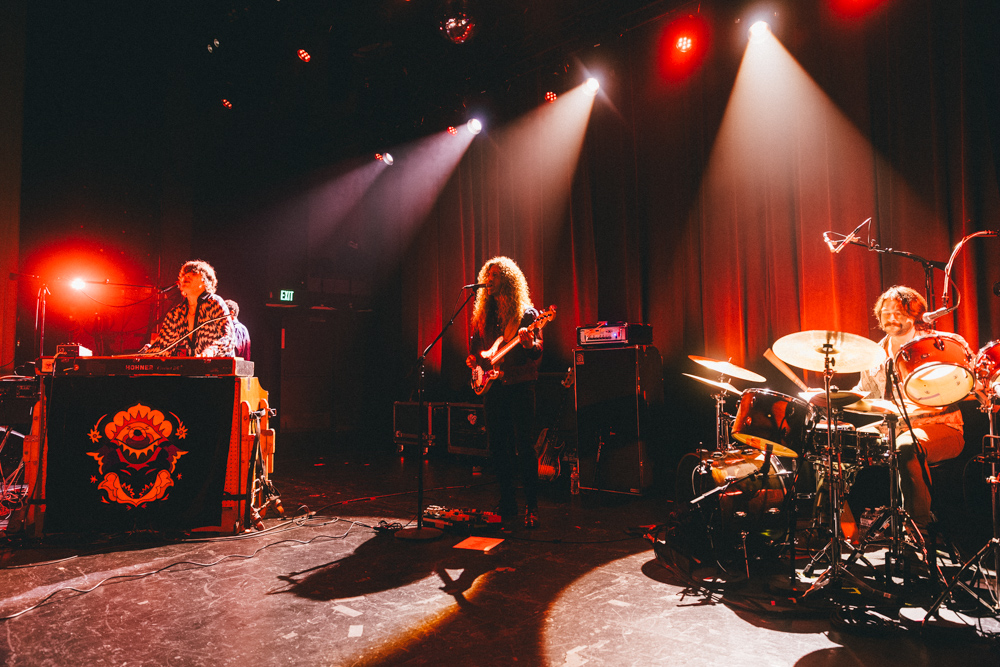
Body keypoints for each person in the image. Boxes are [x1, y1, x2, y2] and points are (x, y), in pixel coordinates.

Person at [851, 285, 965, 535]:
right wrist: (837, 397)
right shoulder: (874, 354)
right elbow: (864, 395)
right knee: (837, 443)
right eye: (886, 313)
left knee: (907, 447)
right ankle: (840, 529)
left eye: (899, 313)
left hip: (941, 427)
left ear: (916, 315)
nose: (891, 318)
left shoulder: (941, 344)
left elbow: (968, 382)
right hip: (891, 427)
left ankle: (917, 529)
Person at [466, 257, 543, 529]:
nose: (489, 279)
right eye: (488, 275)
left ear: (508, 280)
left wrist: (530, 344)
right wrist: (474, 362)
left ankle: (532, 506)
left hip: (520, 385)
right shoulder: (484, 315)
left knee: (524, 446)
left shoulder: (527, 315)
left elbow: (537, 352)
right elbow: (477, 349)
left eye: (496, 275)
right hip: (494, 387)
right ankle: (508, 501)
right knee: (498, 446)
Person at [145, 260, 236, 357]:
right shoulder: (176, 313)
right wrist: (141, 358)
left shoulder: (214, 303)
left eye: (193, 273)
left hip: (220, 364)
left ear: (205, 281)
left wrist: (211, 351)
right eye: (184, 274)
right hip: (197, 365)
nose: (186, 276)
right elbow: (162, 347)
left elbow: (229, 338)